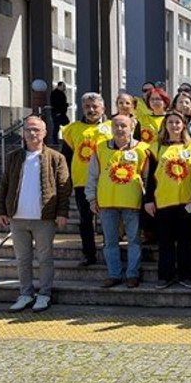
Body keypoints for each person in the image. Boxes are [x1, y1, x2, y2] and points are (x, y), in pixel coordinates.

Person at [0, 116, 71, 312]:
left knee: (45, 258)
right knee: (22, 259)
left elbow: (64, 188)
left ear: (45, 133)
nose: (32, 133)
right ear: (23, 133)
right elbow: (5, 184)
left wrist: (62, 212)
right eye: (28, 129)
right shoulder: (14, 157)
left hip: (44, 217)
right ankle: (25, 294)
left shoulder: (56, 157)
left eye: (37, 129)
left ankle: (44, 294)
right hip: (17, 217)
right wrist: (2, 210)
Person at [86, 114, 151, 288]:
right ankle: (114, 274)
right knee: (110, 242)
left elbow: (147, 178)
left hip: (132, 202)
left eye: (124, 125)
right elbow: (92, 175)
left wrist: (147, 199)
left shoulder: (143, 149)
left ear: (132, 128)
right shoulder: (100, 148)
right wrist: (91, 198)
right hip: (106, 202)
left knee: (134, 241)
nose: (120, 129)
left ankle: (132, 274)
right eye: (116, 125)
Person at [143, 111, 191, 289]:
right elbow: (149, 177)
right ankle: (165, 276)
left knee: (186, 242)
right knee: (165, 242)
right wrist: (148, 200)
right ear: (165, 125)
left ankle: (186, 275)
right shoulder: (155, 147)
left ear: (184, 125)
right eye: (170, 122)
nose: (174, 125)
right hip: (163, 201)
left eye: (178, 122)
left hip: (187, 202)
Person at [61, 92, 112, 267]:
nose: (91, 110)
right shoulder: (72, 129)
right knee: (85, 220)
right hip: (82, 181)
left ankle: (110, 253)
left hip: (108, 181)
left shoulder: (112, 127)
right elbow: (65, 157)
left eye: (95, 106)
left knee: (108, 220)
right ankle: (88, 254)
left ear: (103, 108)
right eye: (87, 107)